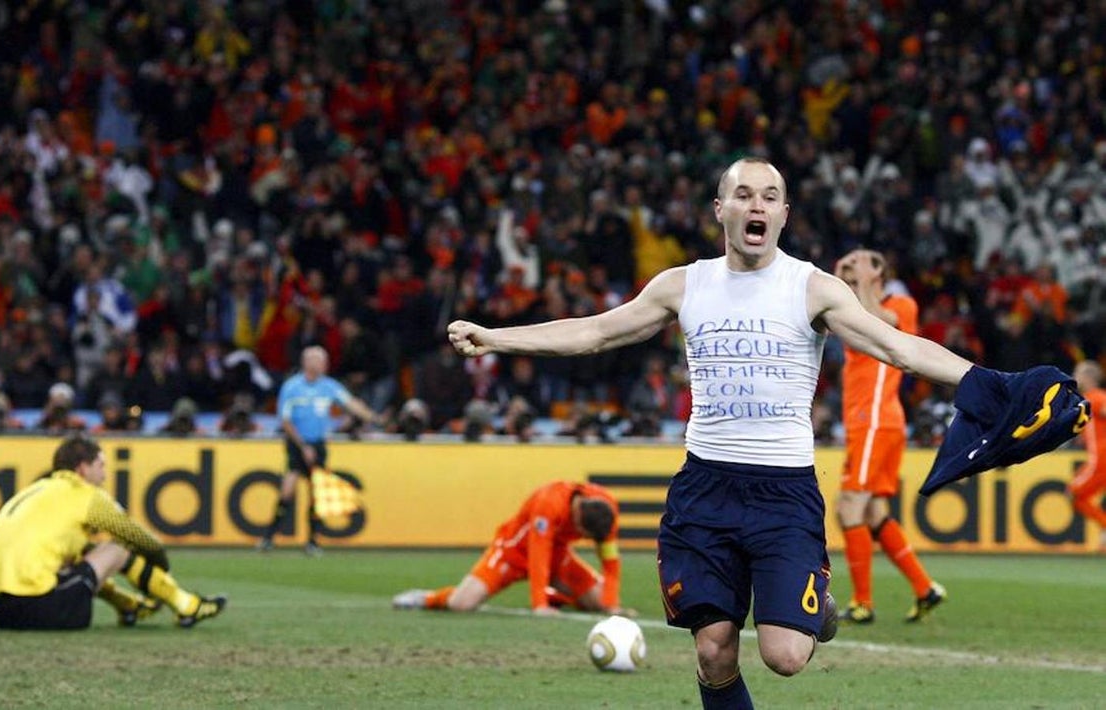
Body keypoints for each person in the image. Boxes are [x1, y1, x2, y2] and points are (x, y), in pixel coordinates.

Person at [444, 158, 978, 709]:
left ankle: (813, 608)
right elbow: (597, 331)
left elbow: (900, 348)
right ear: (720, 209)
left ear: (784, 214)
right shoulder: (684, 284)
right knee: (714, 651)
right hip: (706, 488)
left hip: (784, 492)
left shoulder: (812, 287)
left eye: (770, 197)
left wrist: (989, 384)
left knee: (786, 656)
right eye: (744, 195)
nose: (757, 206)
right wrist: (496, 337)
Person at [0, 434, 226, 630]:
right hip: (38, 608)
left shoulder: (34, 491)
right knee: (117, 549)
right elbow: (139, 539)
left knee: (79, 556)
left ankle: (129, 606)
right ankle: (185, 604)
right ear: (83, 468)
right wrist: (161, 563)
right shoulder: (85, 495)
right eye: (101, 465)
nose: (105, 475)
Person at [834, 249, 946, 624]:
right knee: (873, 511)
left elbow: (877, 321)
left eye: (857, 262)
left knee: (849, 507)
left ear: (879, 270)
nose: (850, 267)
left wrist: (861, 282)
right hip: (865, 423)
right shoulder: (850, 309)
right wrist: (841, 280)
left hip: (875, 420)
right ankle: (925, 587)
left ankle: (862, 603)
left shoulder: (902, 305)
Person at [391, 480, 630, 616]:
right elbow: (538, 554)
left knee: (599, 601)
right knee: (461, 605)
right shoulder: (550, 503)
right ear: (577, 518)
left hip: (558, 555)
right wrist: (539, 606)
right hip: (513, 552)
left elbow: (610, 560)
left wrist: (611, 605)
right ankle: (428, 597)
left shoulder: (607, 510)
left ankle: (556, 596)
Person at [256, 345, 383, 555]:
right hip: (297, 444)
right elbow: (285, 421)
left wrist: (374, 418)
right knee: (288, 490)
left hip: (318, 445)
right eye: (320, 361)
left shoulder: (329, 386)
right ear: (308, 363)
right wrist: (303, 446)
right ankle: (269, 537)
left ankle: (313, 541)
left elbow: (351, 404)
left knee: (317, 494)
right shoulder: (292, 387)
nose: (324, 365)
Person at [1068, 360, 1106, 551]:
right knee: (1076, 497)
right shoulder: (1088, 399)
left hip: (1101, 458)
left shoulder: (1096, 397)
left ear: (1089, 377)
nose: (1075, 377)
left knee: (1073, 493)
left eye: (1078, 373)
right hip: (1098, 457)